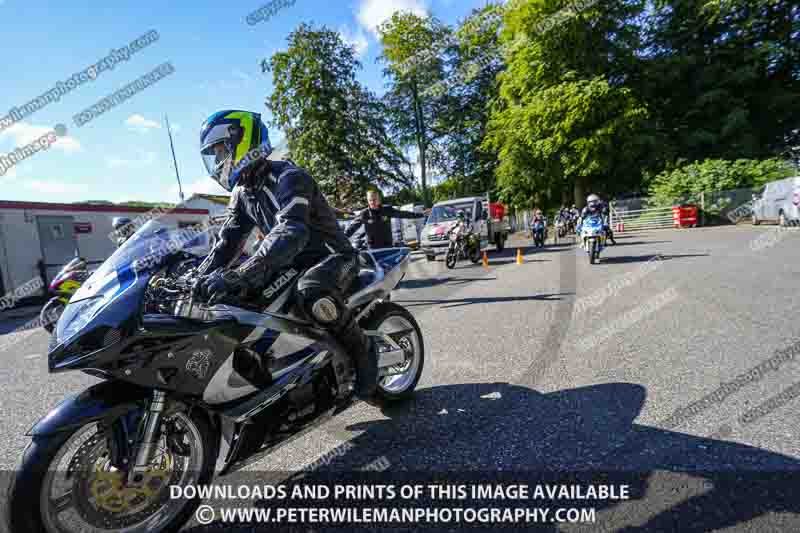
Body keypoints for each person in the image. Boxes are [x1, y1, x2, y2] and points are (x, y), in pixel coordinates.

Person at [190, 109, 379, 403]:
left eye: (221, 150)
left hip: (331, 257)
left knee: (311, 291)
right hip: (289, 262)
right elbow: (226, 243)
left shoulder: (289, 176)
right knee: (235, 303)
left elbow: (292, 230)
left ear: (243, 141)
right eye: (213, 154)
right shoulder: (242, 192)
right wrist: (198, 277)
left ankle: (363, 350)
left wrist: (241, 273)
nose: (218, 161)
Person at [345, 190, 426, 249]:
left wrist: (421, 214)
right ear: (367, 201)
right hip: (372, 247)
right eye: (370, 200)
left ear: (378, 199)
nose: (372, 202)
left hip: (387, 245)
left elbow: (403, 214)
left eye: (374, 199)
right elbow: (352, 228)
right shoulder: (364, 213)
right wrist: (341, 238)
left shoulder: (387, 210)